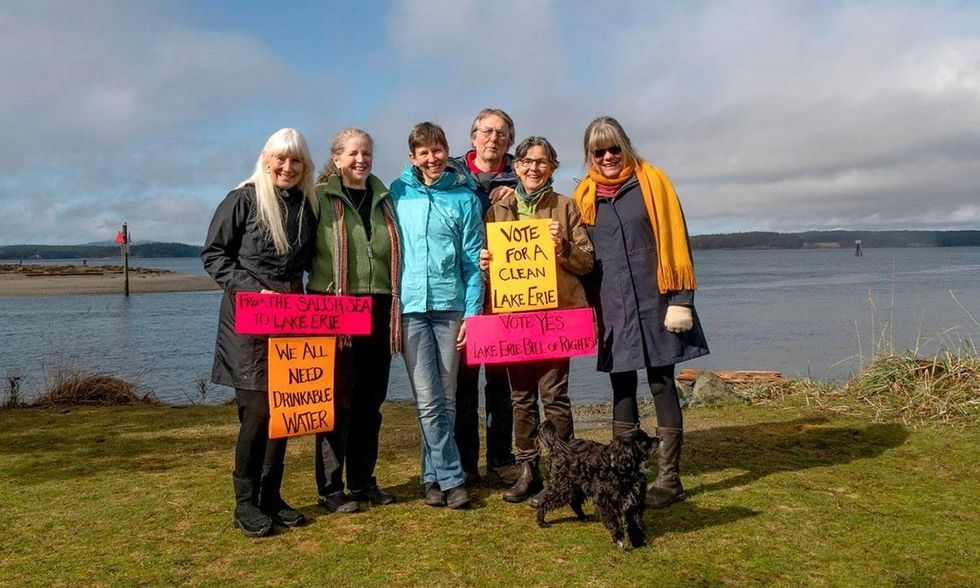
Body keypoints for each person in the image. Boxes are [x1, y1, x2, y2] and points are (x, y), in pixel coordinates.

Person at [572, 116, 708, 509]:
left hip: (657, 301)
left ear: (626, 146)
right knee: (621, 386)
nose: (609, 156)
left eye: (614, 147)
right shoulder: (584, 197)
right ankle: (626, 474)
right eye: (599, 151)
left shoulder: (654, 184)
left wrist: (682, 299)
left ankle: (669, 479)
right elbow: (583, 258)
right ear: (590, 156)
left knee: (663, 383)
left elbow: (677, 239)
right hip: (613, 305)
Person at [201, 128, 319, 537]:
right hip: (246, 322)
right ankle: (245, 502)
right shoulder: (243, 199)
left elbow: (310, 263)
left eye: (296, 160)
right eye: (281, 159)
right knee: (258, 412)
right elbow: (213, 255)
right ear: (267, 159)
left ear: (305, 166)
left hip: (290, 320)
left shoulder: (307, 204)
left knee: (284, 410)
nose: (287, 167)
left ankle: (271, 496)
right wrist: (254, 290)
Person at [479, 136, 594, 502]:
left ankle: (566, 470)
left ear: (553, 167)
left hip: (555, 319)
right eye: (527, 161)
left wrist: (564, 248)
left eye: (542, 162)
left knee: (555, 396)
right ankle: (528, 469)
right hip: (513, 320)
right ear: (516, 167)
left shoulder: (567, 207)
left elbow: (587, 262)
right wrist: (484, 267)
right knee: (521, 398)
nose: (533, 168)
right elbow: (491, 271)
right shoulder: (497, 211)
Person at [389, 122, 484, 509]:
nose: (431, 158)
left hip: (451, 309)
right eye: (423, 152)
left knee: (446, 399)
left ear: (447, 151)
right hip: (410, 309)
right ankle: (451, 477)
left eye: (437, 150)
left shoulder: (465, 199)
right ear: (412, 157)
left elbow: (474, 264)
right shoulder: (395, 195)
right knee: (427, 400)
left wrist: (473, 315)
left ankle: (432, 478)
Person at [307, 128, 401, 513]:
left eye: (366, 153)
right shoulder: (318, 198)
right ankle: (330, 488)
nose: (360, 159)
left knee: (370, 401)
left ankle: (362, 481)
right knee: (336, 401)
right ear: (337, 157)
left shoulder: (385, 199)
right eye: (352, 153)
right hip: (334, 306)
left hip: (380, 306)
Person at [453, 108, 520, 485]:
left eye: (501, 133)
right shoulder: (451, 173)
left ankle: (501, 457)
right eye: (487, 131)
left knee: (501, 385)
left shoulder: (523, 174)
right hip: (463, 297)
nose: (493, 138)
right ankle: (465, 464)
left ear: (509, 140)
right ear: (473, 135)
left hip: (507, 295)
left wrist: (519, 194)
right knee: (463, 386)